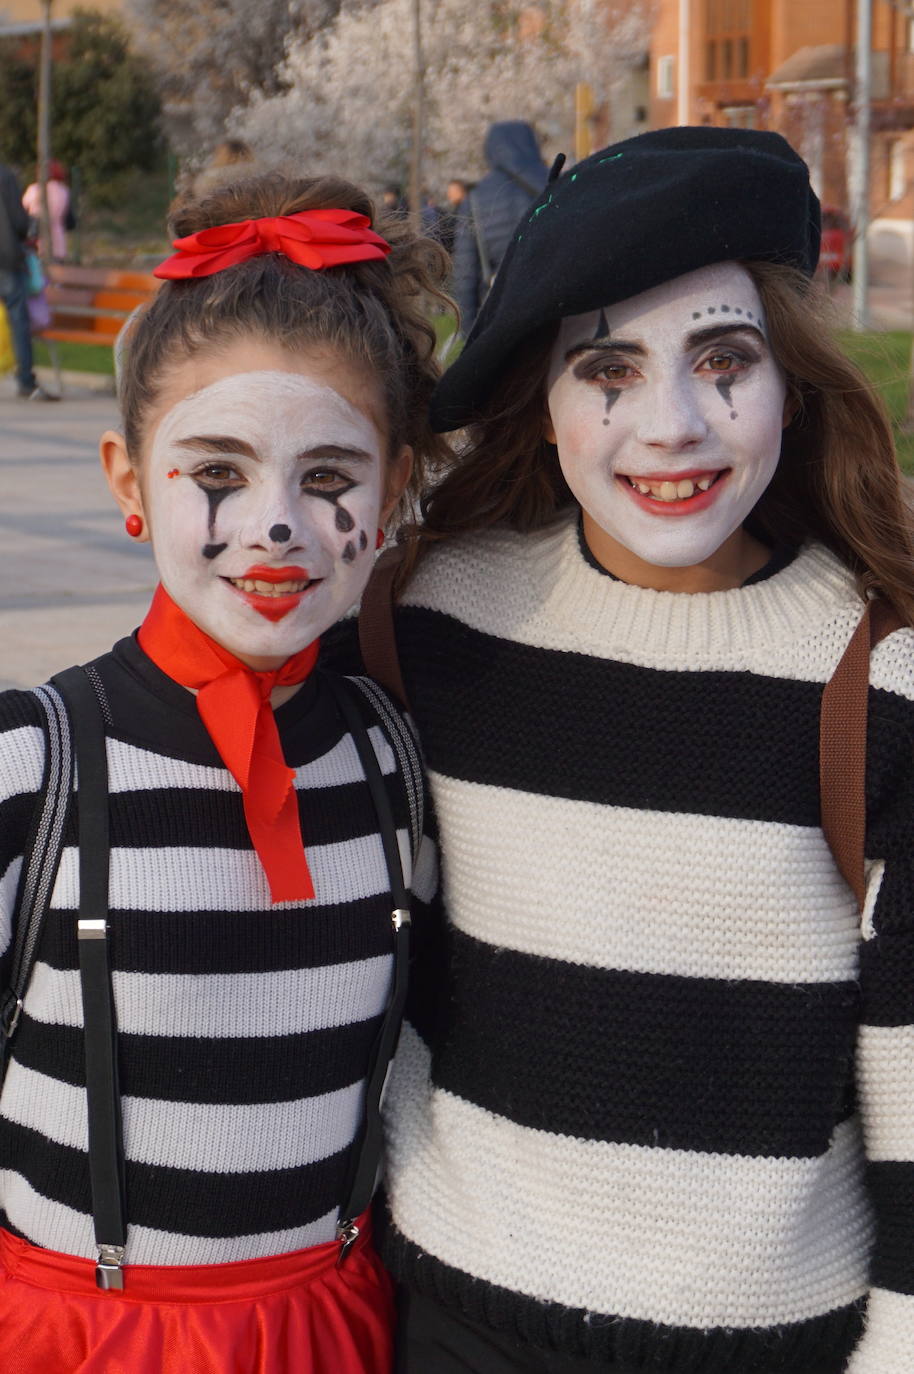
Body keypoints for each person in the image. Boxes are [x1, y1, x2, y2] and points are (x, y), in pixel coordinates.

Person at [352, 128, 914, 1371]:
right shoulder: (427, 625)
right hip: (455, 1320)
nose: (670, 425)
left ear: (789, 383)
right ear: (541, 409)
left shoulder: (879, 681)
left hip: (771, 1344)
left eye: (723, 360)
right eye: (606, 369)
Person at [0, 170, 449, 1373]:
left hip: (329, 1327)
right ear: (128, 481)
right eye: (216, 474)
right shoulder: (32, 763)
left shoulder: (393, 762)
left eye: (328, 479)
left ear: (394, 491)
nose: (274, 527)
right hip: (79, 1338)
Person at [450, 120, 547, 333]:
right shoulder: (555, 184)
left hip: (499, 312)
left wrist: (468, 331)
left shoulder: (474, 199)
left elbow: (466, 271)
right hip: (551, 305)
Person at [0, 160, 55, 400]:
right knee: (18, 319)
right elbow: (19, 221)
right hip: (6, 259)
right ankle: (25, 380)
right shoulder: (5, 176)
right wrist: (31, 225)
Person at [22, 160, 72, 263]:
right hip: (58, 241)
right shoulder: (64, 191)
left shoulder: (34, 189)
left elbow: (22, 209)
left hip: (37, 241)